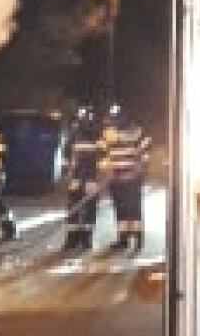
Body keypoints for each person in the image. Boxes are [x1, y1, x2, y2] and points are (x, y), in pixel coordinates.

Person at [101, 103, 150, 253]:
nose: (114, 121)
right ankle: (123, 239)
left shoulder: (137, 132)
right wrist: (107, 172)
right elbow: (103, 155)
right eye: (113, 118)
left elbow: (145, 154)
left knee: (133, 209)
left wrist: (138, 172)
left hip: (132, 179)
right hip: (116, 179)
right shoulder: (108, 134)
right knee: (120, 209)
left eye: (116, 118)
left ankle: (137, 238)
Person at [64, 105, 104, 251]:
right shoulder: (76, 133)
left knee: (87, 208)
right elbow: (68, 155)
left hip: (89, 178)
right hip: (81, 178)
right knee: (76, 208)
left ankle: (82, 239)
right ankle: (75, 238)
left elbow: (102, 156)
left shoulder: (97, 134)